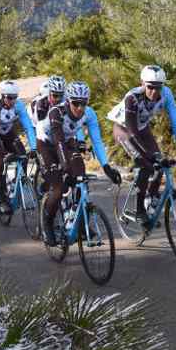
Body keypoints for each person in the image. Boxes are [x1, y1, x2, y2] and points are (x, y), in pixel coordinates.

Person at [37, 81, 122, 246]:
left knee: (81, 177)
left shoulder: (89, 114)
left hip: (67, 142)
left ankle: (78, 219)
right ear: (68, 101)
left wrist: (106, 167)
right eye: (76, 103)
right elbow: (58, 142)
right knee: (59, 187)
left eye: (84, 103)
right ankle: (47, 223)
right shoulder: (57, 112)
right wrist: (65, 169)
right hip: (47, 144)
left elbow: (97, 141)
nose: (80, 108)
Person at [107, 65, 176, 224]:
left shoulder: (167, 94)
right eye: (150, 87)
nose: (154, 91)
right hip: (124, 129)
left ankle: (150, 198)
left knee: (160, 165)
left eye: (158, 87)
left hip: (143, 128)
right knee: (146, 164)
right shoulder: (132, 97)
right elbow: (132, 132)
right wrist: (150, 156)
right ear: (142, 83)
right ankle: (139, 210)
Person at [0, 80, 37, 209]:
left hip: (7, 130)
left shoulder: (18, 106)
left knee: (23, 155)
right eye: (10, 98)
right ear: (2, 96)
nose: (13, 101)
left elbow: (28, 127)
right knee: (1, 159)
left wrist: (34, 147)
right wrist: (4, 152)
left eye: (15, 98)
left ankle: (15, 182)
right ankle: (0, 194)